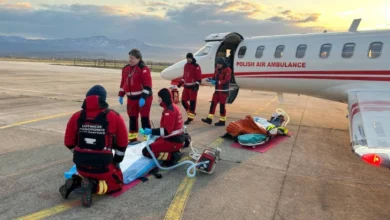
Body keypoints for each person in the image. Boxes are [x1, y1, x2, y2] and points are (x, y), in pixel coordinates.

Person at [59, 85, 128, 207]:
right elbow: (122, 143)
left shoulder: (76, 116)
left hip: (81, 166)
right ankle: (93, 186)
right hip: (104, 167)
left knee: (85, 173)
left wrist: (79, 153)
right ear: (103, 99)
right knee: (117, 183)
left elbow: (68, 142)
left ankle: (77, 181)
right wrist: (116, 161)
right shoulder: (114, 116)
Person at [141, 88, 185, 165]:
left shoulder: (169, 111)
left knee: (146, 151)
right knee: (156, 141)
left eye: (159, 98)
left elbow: (167, 131)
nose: (158, 100)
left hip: (173, 140)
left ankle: (172, 156)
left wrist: (152, 131)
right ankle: (174, 150)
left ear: (163, 98)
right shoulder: (173, 107)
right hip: (176, 138)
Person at [118, 48, 153, 143]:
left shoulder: (143, 69)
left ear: (138, 59)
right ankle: (133, 139)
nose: (130, 59)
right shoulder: (125, 69)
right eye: (129, 57)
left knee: (144, 118)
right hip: (131, 99)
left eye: (132, 58)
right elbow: (123, 83)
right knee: (132, 118)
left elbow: (148, 85)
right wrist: (121, 94)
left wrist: (143, 98)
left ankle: (148, 139)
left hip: (143, 98)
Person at [201, 57, 232, 126]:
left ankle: (222, 121)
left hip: (224, 91)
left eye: (219, 64)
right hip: (217, 90)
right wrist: (211, 79)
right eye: (217, 64)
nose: (218, 65)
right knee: (213, 104)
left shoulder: (228, 70)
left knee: (222, 106)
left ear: (223, 64)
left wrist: (217, 82)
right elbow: (214, 77)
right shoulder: (217, 69)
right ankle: (209, 119)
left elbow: (226, 80)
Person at [177, 53, 202, 124]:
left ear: (192, 58)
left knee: (192, 102)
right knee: (183, 101)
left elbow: (199, 77)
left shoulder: (196, 66)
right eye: (187, 58)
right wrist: (180, 83)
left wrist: (197, 85)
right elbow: (185, 76)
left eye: (189, 58)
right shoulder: (186, 65)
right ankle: (191, 113)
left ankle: (190, 118)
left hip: (193, 87)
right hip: (186, 87)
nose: (188, 59)